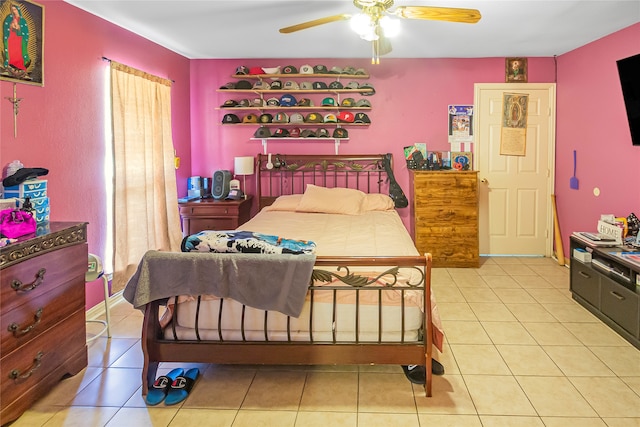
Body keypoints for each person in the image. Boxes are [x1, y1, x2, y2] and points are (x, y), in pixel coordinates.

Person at [2, 3, 31, 74]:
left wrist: (19, 28)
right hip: (11, 37)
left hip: (19, 39)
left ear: (18, 10)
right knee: (11, 51)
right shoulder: (9, 18)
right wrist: (10, 26)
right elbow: (6, 27)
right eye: (12, 10)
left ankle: (20, 67)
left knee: (18, 52)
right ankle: (10, 65)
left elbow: (25, 31)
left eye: (15, 9)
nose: (14, 11)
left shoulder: (22, 21)